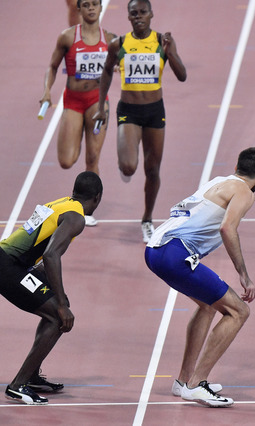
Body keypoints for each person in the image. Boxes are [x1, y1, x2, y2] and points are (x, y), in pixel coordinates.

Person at [145, 147, 255, 408]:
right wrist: (244, 275)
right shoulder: (244, 191)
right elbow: (227, 228)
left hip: (155, 249)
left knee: (207, 305)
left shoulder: (219, 181)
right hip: (174, 253)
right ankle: (197, 384)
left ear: (237, 167)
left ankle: (183, 381)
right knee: (238, 311)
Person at [0, 172, 103, 405]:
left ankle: (32, 375)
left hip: (12, 263)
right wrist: (62, 305)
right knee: (58, 316)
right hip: (8, 266)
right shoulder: (76, 218)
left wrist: (59, 295)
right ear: (97, 198)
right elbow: (50, 254)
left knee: (55, 307)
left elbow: (39, 250)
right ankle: (18, 386)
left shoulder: (60, 203)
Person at [94, 0, 187, 243]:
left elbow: (182, 75)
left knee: (153, 169)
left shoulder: (161, 41)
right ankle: (125, 159)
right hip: (129, 111)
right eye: (133, 13)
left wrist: (170, 53)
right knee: (128, 167)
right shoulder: (120, 44)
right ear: (128, 17)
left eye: (142, 12)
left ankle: (147, 218)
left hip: (155, 110)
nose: (138, 17)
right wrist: (100, 105)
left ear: (151, 14)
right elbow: (106, 71)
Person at [41, 0, 115, 227]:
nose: (91, 8)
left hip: (97, 102)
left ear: (101, 8)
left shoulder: (111, 40)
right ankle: (77, 135)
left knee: (93, 157)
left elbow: (120, 67)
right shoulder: (67, 37)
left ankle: (87, 209)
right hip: (73, 101)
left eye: (95, 4)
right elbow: (52, 66)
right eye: (86, 5)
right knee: (66, 160)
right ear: (79, 9)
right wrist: (46, 92)